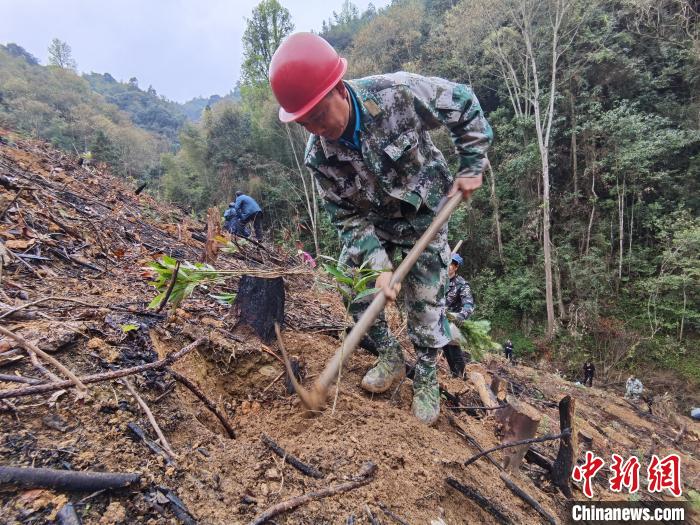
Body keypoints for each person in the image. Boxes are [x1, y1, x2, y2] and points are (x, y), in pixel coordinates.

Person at [269, 33, 492, 424]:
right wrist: (378, 265)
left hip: (425, 214)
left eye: (320, 116)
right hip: (375, 224)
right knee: (352, 290)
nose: (318, 129)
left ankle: (425, 376)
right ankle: (389, 354)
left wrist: (472, 165)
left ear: (338, 89)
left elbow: (463, 103)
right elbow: (346, 217)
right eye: (306, 123)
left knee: (426, 305)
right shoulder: (318, 156)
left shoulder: (397, 94)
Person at [442, 253, 475, 377]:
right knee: (445, 347)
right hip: (440, 319)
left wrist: (460, 316)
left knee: (454, 347)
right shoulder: (440, 280)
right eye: (448, 263)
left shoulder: (461, 284)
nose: (449, 266)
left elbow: (468, 303)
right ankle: (454, 373)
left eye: (452, 264)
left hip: (454, 320)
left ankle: (462, 375)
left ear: (456, 267)